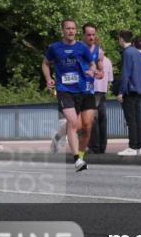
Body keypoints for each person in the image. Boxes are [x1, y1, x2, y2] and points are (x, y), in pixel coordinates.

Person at [42, 19, 97, 171]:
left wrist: (92, 70)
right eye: (68, 29)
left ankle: (58, 137)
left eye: (73, 29)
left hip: (81, 90)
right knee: (73, 122)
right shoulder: (54, 48)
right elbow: (45, 63)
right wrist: (48, 79)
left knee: (81, 126)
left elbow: (92, 64)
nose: (71, 31)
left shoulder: (82, 47)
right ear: (63, 30)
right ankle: (77, 159)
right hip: (64, 90)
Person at [116, 29, 141, 156]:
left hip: (130, 90)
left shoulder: (127, 53)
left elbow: (125, 74)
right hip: (139, 90)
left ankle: (132, 146)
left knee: (131, 120)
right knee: (138, 119)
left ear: (121, 39)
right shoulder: (136, 52)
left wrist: (121, 92)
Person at [81, 24, 108, 154]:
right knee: (85, 120)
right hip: (80, 90)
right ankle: (93, 146)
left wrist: (98, 73)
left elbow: (102, 72)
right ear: (83, 36)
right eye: (89, 35)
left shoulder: (99, 51)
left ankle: (97, 147)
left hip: (93, 91)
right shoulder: (78, 49)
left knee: (95, 118)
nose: (92, 37)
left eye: (93, 35)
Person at [89, 49, 112, 154]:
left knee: (92, 121)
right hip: (102, 93)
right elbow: (109, 79)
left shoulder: (89, 60)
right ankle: (102, 146)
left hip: (91, 93)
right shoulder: (108, 61)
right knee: (103, 120)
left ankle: (94, 147)